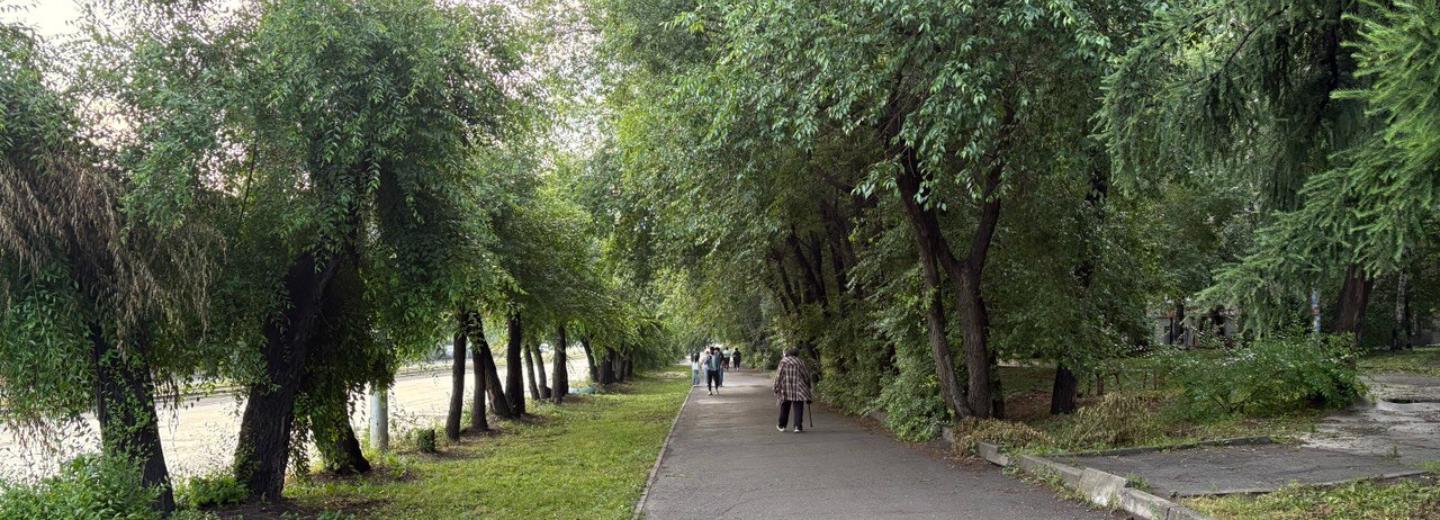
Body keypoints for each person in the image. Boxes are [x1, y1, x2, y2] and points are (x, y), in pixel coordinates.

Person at [773, 348, 812, 433]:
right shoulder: (800, 362)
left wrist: (776, 387)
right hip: (799, 388)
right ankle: (798, 427)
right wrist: (808, 385)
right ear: (797, 354)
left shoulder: (783, 362)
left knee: (785, 407)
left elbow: (778, 376)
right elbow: (806, 375)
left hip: (785, 388)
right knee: (798, 407)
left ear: (788, 353)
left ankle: (782, 426)